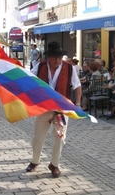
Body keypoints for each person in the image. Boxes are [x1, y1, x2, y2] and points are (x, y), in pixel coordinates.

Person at [27, 41, 82, 178]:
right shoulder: (40, 66)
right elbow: (28, 79)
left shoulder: (69, 68)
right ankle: (35, 161)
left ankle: (54, 164)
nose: (57, 60)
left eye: (59, 57)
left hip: (61, 108)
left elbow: (77, 86)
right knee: (38, 137)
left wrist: (79, 103)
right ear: (48, 58)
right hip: (44, 107)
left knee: (60, 137)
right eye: (54, 57)